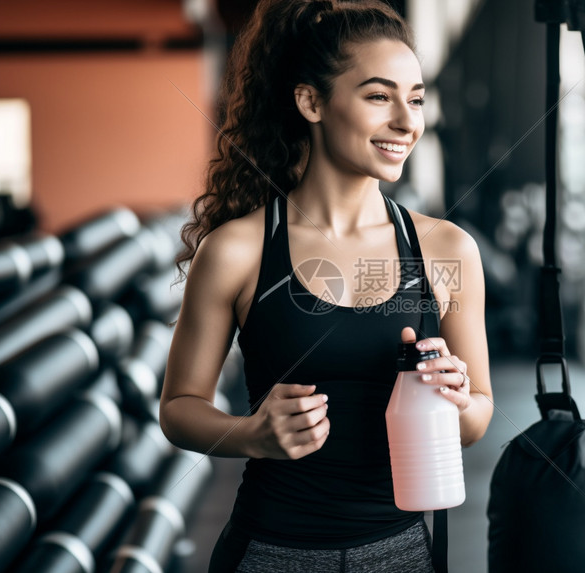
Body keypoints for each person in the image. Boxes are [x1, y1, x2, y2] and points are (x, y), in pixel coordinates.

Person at [159, 1, 493, 571]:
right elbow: (179, 408)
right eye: (379, 96)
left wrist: (456, 399)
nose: (407, 122)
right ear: (311, 101)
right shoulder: (238, 250)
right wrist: (251, 434)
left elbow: (477, 418)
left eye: (415, 98)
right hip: (270, 551)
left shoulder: (445, 249)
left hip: (404, 553)